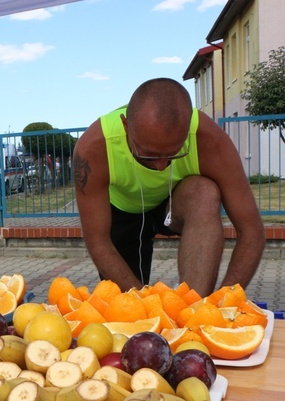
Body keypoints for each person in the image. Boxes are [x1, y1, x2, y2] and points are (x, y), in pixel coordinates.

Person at [72, 77, 265, 297]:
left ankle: (193, 306)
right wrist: (143, 304)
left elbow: (252, 231)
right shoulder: (94, 147)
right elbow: (98, 242)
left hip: (173, 204)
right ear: (126, 126)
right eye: (149, 154)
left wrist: (224, 302)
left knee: (204, 193)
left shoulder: (208, 139)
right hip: (122, 213)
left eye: (174, 152)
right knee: (127, 307)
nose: (161, 166)